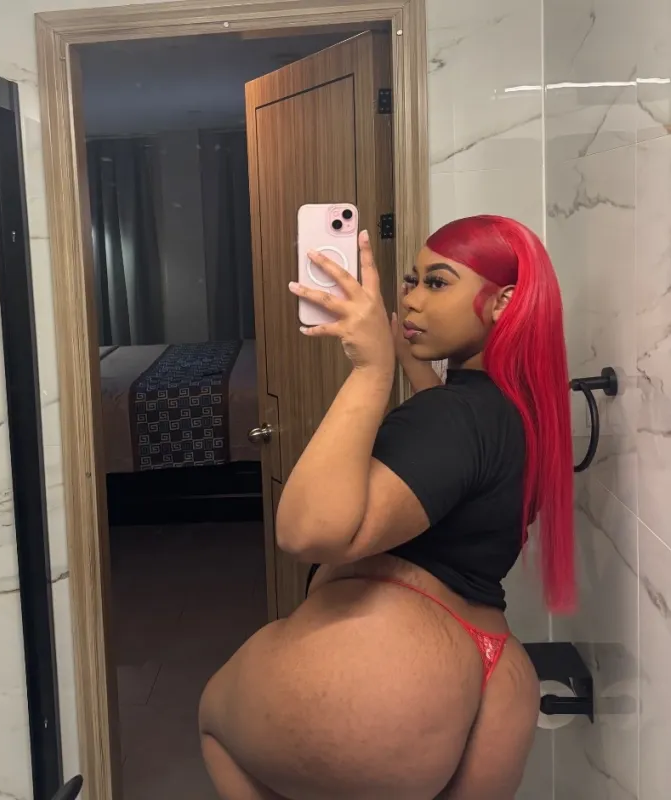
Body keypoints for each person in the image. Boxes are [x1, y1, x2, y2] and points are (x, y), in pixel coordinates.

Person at [198, 215, 575, 800]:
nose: (411, 299)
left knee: (214, 722)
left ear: (503, 303)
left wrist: (370, 370)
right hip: (498, 678)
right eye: (411, 280)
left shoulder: (453, 416)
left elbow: (306, 532)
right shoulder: (518, 410)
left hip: (386, 678)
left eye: (438, 283)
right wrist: (412, 364)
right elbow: (454, 461)